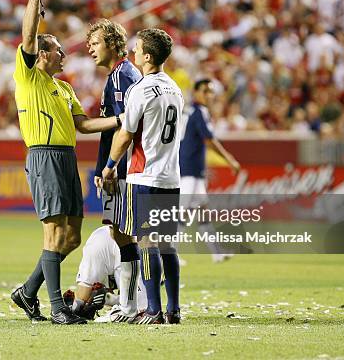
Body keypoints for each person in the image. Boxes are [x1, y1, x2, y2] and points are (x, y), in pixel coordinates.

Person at [10, 0, 120, 325]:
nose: (65, 57)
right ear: (42, 54)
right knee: (53, 232)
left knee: (72, 235)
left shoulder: (64, 88)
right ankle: (58, 308)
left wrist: (124, 120)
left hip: (67, 157)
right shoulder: (28, 76)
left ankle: (27, 292)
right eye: (59, 52)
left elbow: (84, 125)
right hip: (44, 155)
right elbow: (29, 34)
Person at [102, 28, 184, 325]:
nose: (133, 53)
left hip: (145, 176)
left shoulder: (141, 89)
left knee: (147, 242)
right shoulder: (175, 89)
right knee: (167, 244)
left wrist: (110, 165)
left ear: (148, 57)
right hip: (171, 178)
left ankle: (153, 310)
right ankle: (173, 309)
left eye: (137, 49)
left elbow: (126, 135)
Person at [86, 18, 143, 322]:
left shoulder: (123, 76)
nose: (90, 49)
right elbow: (111, 129)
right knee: (120, 232)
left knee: (124, 234)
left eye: (95, 43)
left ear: (111, 42)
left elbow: (127, 126)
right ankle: (130, 303)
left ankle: (130, 306)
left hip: (127, 168)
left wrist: (111, 168)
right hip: (122, 167)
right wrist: (100, 167)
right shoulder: (116, 76)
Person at [180, 79, 240, 262]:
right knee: (181, 213)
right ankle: (169, 254)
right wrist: (229, 159)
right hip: (189, 170)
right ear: (196, 92)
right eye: (205, 91)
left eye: (211, 91)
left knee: (202, 212)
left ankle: (216, 252)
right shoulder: (200, 111)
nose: (209, 95)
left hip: (190, 168)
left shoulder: (189, 111)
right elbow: (209, 140)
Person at [64, 225, 148, 321]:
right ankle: (107, 299)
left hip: (105, 238)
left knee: (79, 307)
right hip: (134, 239)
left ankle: (106, 299)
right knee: (139, 306)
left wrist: (105, 300)